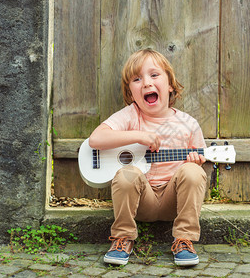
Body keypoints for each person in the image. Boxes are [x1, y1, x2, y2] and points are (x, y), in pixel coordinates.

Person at [88, 48, 207, 267]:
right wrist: (139, 136)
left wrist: (195, 163)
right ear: (131, 93)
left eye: (154, 75)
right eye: (136, 79)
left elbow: (199, 159)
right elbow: (96, 139)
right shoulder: (130, 115)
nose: (146, 83)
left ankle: (184, 239)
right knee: (127, 174)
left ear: (169, 85)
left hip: (174, 200)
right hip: (141, 201)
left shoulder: (188, 124)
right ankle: (123, 237)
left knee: (193, 172)